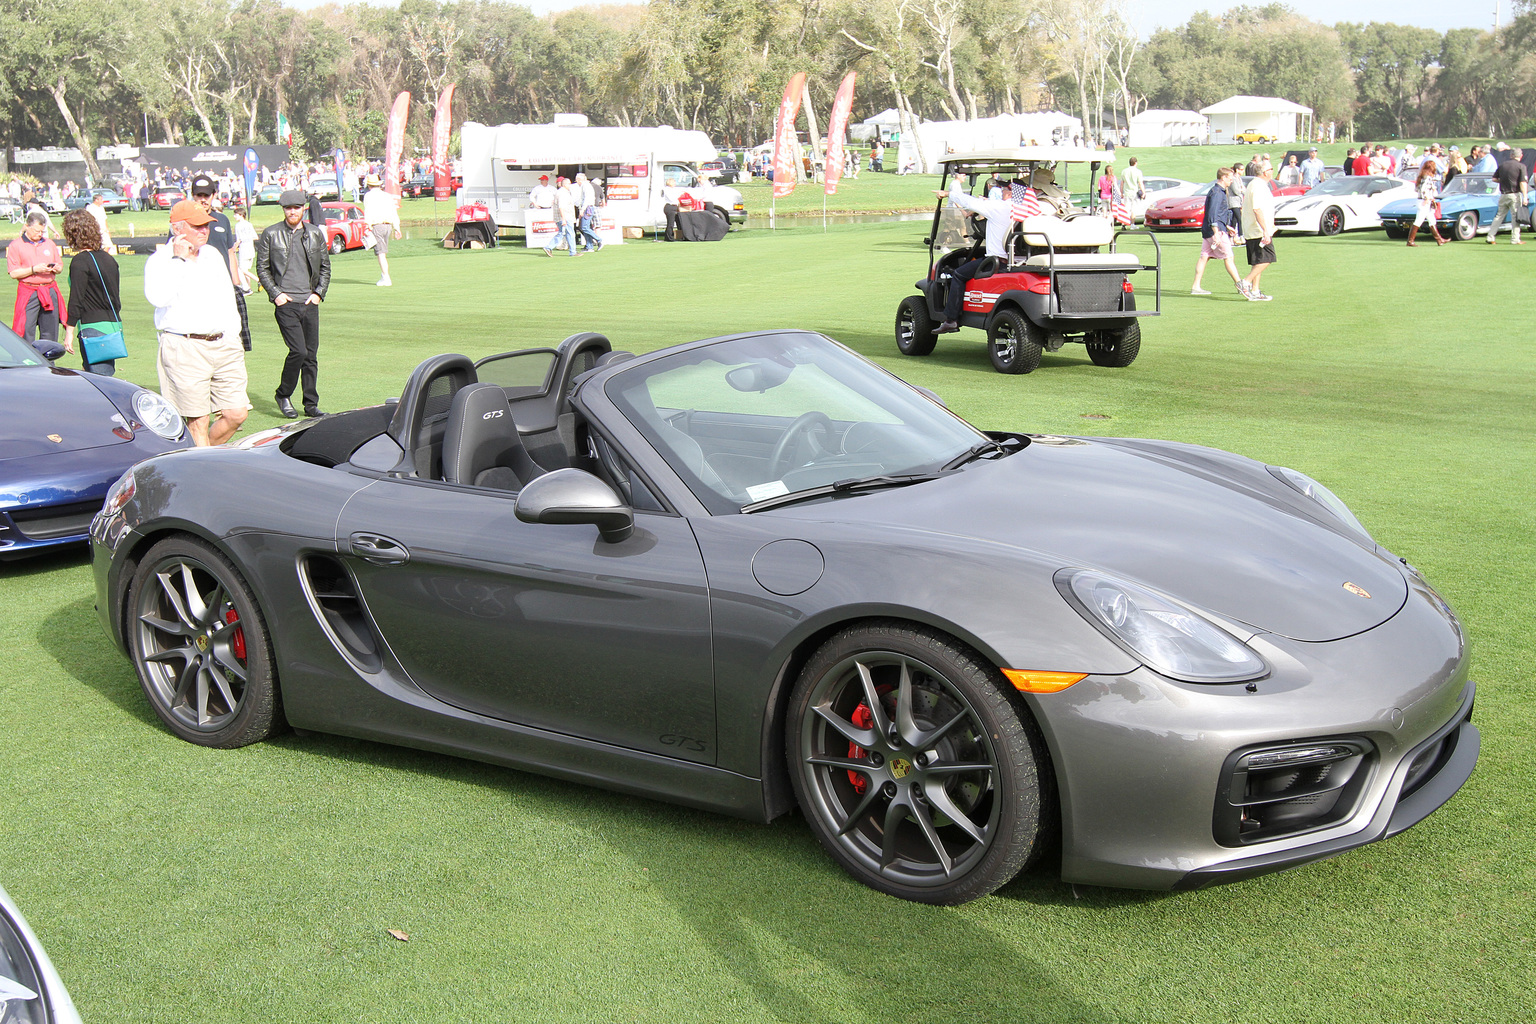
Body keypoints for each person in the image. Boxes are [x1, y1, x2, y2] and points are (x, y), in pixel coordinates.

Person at [143, 200, 248, 445]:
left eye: (206, 225)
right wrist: (179, 261)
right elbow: (159, 298)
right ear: (178, 229)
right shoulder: (160, 261)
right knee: (198, 421)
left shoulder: (212, 254)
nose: (204, 230)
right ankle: (204, 472)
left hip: (224, 344)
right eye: (197, 226)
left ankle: (201, 459)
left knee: (237, 413)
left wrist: (234, 334)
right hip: (184, 346)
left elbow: (226, 296)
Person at [256, 190, 331, 417]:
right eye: (288, 208)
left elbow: (325, 268)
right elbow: (262, 268)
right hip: (285, 302)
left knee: (311, 356)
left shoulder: (315, 234)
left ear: (303, 208)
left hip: (309, 301)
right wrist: (276, 294)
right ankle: (283, 394)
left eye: (296, 207)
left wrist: (318, 293)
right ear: (283, 209)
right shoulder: (271, 234)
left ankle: (310, 404)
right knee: (298, 351)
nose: (292, 212)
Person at [930, 182, 1012, 333]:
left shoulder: (1000, 207)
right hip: (1017, 259)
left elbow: (971, 202)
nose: (1002, 191)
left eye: (1005, 189)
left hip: (997, 261)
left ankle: (951, 319)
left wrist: (948, 194)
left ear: (1011, 192)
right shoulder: (1024, 209)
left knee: (959, 274)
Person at [59, 210, 123, 375]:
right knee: (102, 377)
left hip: (92, 328)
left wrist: (69, 332)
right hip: (112, 325)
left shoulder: (80, 262)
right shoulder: (108, 259)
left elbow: (76, 300)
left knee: (100, 382)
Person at [7, 212, 68, 361]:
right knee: (26, 329)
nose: (39, 234)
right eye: (36, 231)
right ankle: (27, 362)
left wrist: (55, 268)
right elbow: (14, 273)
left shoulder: (49, 243)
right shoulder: (16, 245)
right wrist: (34, 269)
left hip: (49, 289)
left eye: (42, 231)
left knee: (50, 330)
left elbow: (59, 266)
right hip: (28, 290)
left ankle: (49, 364)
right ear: (27, 226)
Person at [1190, 167, 1248, 298]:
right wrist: (1216, 231)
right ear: (1223, 177)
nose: (1232, 180)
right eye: (1230, 178)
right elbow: (1212, 213)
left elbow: (1216, 213)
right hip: (1215, 231)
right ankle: (1240, 285)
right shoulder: (1217, 192)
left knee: (1204, 256)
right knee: (1229, 257)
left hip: (1211, 230)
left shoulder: (1218, 191)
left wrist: (1226, 226)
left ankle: (1196, 286)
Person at [1241, 162, 1277, 301]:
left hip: (1256, 229)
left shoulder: (1258, 185)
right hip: (1257, 230)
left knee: (1258, 261)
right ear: (1264, 172)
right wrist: (1265, 231)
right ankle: (1245, 283)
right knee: (1268, 258)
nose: (1272, 171)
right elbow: (1257, 209)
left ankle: (1255, 291)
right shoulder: (1257, 186)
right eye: (1271, 169)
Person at [1486, 147, 1528, 245]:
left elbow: (1494, 179)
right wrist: (1525, 196)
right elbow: (1522, 183)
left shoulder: (1503, 165)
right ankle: (1515, 239)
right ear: (1521, 156)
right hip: (1515, 194)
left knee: (1499, 216)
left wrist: (1503, 181)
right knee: (1515, 217)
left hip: (1503, 194)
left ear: (1511, 155)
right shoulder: (1521, 166)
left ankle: (1490, 237)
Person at [362, 181, 401, 285]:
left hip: (377, 225)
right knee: (382, 252)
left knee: (381, 253)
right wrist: (397, 227)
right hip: (388, 226)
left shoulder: (368, 196)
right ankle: (384, 275)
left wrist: (367, 225)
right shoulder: (387, 195)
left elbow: (368, 211)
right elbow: (394, 212)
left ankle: (386, 277)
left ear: (369, 186)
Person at [1406, 165, 1448, 247]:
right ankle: (1410, 241)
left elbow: (1417, 189)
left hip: (1422, 201)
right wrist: (1427, 198)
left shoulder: (1421, 177)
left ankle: (1439, 240)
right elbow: (1423, 189)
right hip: (1424, 201)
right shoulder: (1427, 178)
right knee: (1419, 220)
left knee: (1431, 220)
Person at [544, 176, 579, 256]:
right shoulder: (563, 193)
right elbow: (561, 206)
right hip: (565, 217)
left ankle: (549, 247)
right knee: (569, 233)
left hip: (563, 217)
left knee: (563, 233)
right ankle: (572, 252)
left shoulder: (561, 192)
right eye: (569, 184)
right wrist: (563, 218)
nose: (570, 186)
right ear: (565, 184)